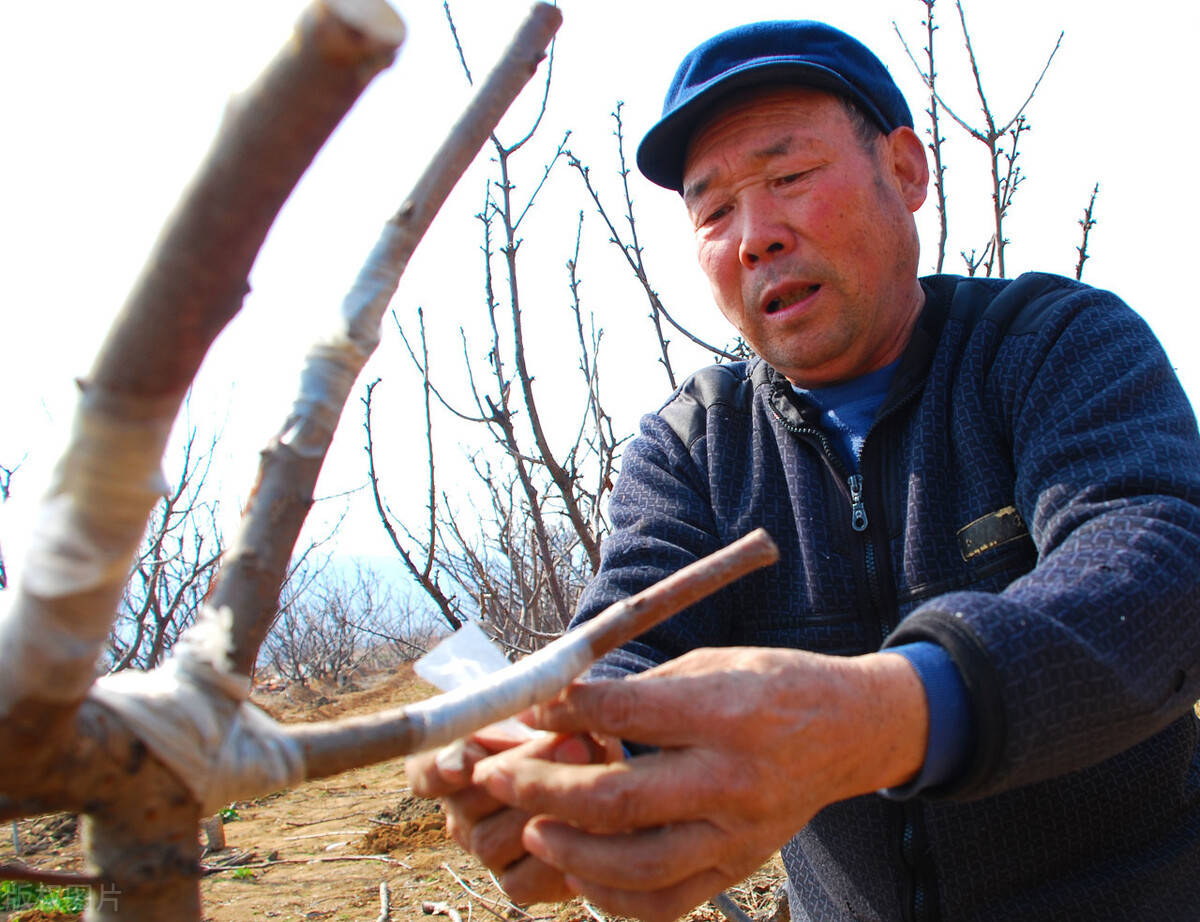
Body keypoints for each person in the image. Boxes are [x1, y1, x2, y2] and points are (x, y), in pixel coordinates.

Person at [409, 20, 1200, 922]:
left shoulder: (1049, 345)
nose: (754, 236)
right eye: (713, 212)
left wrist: (882, 717)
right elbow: (629, 641)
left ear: (905, 172)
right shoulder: (696, 447)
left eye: (788, 178)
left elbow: (1163, 563)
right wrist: (574, 771)